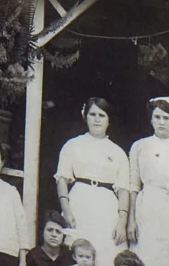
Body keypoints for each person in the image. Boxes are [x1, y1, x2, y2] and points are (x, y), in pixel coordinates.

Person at [55, 97, 134, 259]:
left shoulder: (117, 152)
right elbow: (62, 179)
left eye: (102, 115)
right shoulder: (73, 145)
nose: (97, 119)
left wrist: (122, 222)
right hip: (79, 203)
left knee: (107, 254)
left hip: (107, 208)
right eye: (92, 114)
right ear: (85, 116)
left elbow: (123, 190)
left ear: (108, 120)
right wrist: (66, 210)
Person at [128, 95, 169, 265]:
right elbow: (133, 185)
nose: (162, 122)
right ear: (151, 120)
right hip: (144, 209)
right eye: (157, 117)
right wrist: (131, 220)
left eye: (166, 118)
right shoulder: (139, 146)